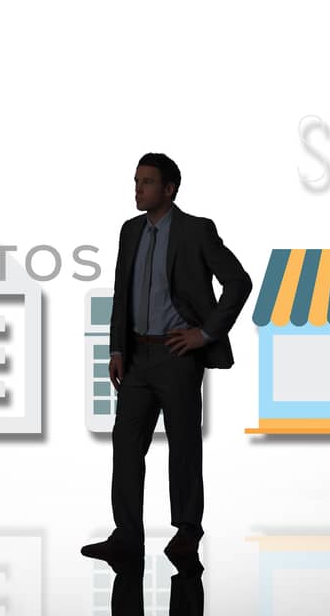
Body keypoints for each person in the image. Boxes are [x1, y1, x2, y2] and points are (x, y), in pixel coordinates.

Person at [81, 153, 251, 574]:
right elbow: (122, 293)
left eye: (147, 182)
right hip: (136, 357)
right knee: (126, 445)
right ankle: (126, 537)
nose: (137, 189)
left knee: (184, 447)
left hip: (178, 355)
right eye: (136, 181)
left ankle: (187, 533)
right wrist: (116, 350)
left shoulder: (196, 230)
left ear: (169, 188)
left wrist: (205, 333)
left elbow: (238, 281)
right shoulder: (130, 231)